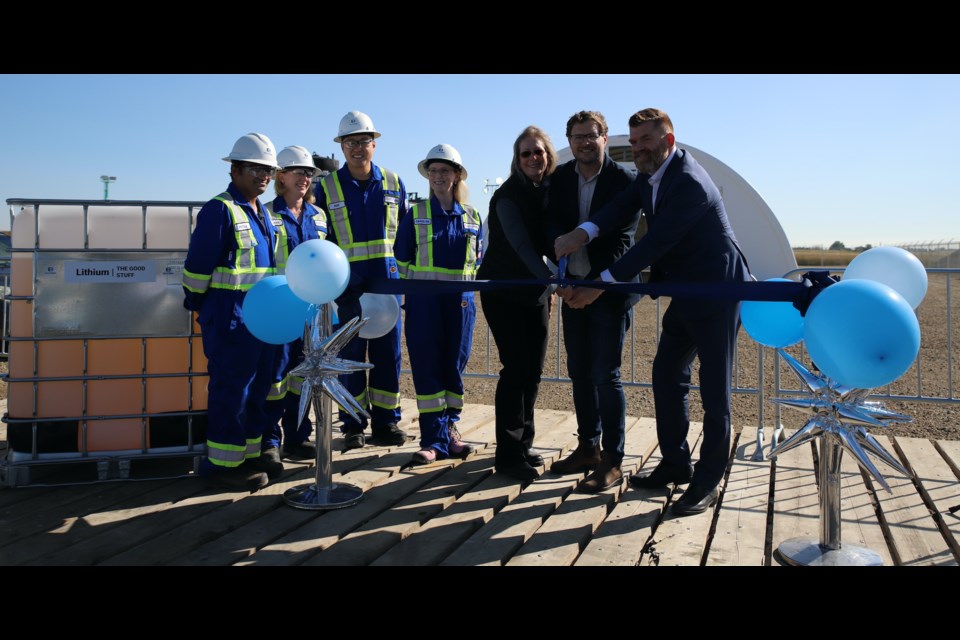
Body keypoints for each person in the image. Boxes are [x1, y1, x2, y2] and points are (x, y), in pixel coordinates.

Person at [555, 108, 751, 516]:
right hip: (684, 290)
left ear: (669, 139)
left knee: (715, 392)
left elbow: (653, 244)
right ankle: (677, 463)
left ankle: (708, 480)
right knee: (666, 373)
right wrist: (583, 232)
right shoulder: (649, 175)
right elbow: (618, 208)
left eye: (647, 139)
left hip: (717, 291)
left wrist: (598, 286)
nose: (639, 147)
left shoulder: (690, 182)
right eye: (635, 140)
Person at [182, 133, 287, 491]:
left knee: (257, 388)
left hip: (260, 318)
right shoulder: (219, 209)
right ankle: (222, 466)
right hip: (230, 317)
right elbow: (197, 269)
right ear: (236, 169)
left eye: (268, 171)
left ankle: (250, 454)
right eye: (256, 169)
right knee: (232, 390)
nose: (263, 177)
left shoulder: (263, 213)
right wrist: (201, 305)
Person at [544, 111, 639, 494]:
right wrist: (563, 278)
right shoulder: (561, 178)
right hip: (571, 288)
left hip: (608, 292)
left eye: (592, 135)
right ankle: (588, 447)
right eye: (577, 136)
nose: (584, 142)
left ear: (604, 138)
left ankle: (612, 460)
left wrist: (594, 286)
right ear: (569, 140)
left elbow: (622, 242)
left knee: (606, 374)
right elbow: (551, 225)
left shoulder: (625, 181)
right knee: (579, 372)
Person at [315, 111, 410, 450]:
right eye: (350, 142)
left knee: (388, 356)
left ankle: (386, 423)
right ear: (341, 147)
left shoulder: (394, 182)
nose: (357, 149)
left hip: (386, 286)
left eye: (363, 142)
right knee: (351, 357)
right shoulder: (326, 187)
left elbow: (404, 235)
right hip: (348, 288)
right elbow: (319, 240)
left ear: (374, 144)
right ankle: (353, 424)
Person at [477, 126, 558, 482]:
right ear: (517, 158)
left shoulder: (548, 191)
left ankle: (524, 443)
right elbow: (523, 246)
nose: (532, 158)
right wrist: (553, 280)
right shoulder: (508, 196)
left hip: (534, 291)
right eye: (525, 153)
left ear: (548, 155)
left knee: (534, 371)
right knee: (516, 370)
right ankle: (508, 455)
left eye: (538, 152)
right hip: (504, 291)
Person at [394, 144, 482, 466]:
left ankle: (450, 432)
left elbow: (478, 262)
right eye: (433, 171)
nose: (438, 176)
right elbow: (402, 259)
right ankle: (432, 439)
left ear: (457, 175)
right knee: (428, 368)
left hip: (461, 306)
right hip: (424, 306)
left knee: (453, 368)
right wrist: (415, 296)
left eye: (445, 170)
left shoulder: (473, 216)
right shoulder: (414, 214)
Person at [264, 145, 328, 461]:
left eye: (309, 173)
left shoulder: (319, 217)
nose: (305, 178)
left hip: (310, 310)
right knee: (275, 378)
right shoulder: (266, 214)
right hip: (278, 307)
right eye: (298, 171)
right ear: (282, 176)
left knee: (303, 376)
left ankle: (298, 437)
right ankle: (270, 442)